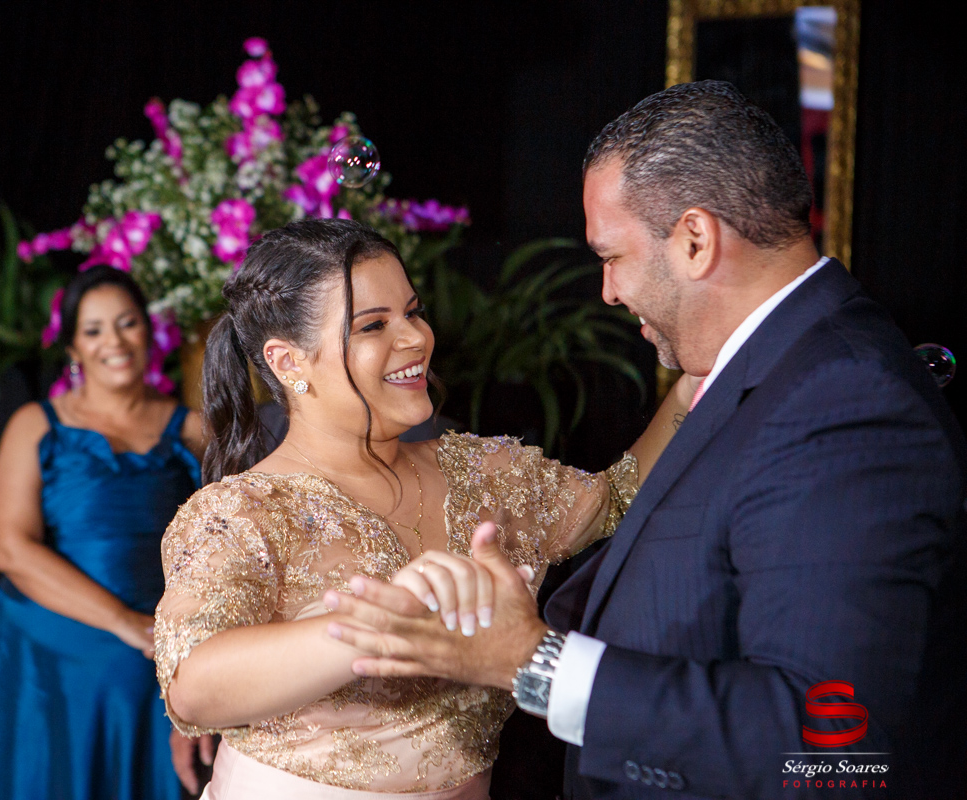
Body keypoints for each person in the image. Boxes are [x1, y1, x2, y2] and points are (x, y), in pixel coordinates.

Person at [326, 81, 967, 799]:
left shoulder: (844, 403)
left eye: (612, 256)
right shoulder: (770, 374)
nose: (607, 290)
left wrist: (533, 662)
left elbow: (824, 745)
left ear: (695, 240)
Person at [153, 218, 697, 799]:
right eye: (373, 325)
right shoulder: (240, 513)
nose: (415, 338)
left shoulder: (485, 474)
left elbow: (620, 498)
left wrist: (703, 368)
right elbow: (192, 687)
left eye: (413, 313)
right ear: (289, 362)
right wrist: (380, 627)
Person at [0, 266, 204, 800]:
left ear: (149, 331)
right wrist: (125, 623)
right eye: (93, 330)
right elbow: (9, 549)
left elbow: (224, 546)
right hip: (52, 653)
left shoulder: (193, 430)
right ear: (73, 348)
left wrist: (173, 635)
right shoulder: (36, 425)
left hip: (155, 651)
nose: (113, 341)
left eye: (127, 323)